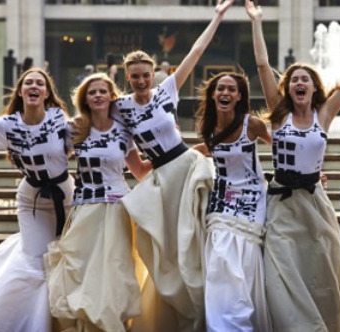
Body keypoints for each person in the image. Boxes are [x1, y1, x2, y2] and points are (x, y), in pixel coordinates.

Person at [245, 1, 340, 330]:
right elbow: (262, 65)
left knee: (322, 269)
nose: (299, 83)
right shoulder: (279, 113)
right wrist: (257, 22)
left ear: (315, 87)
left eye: (305, 79)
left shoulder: (324, 114)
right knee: (281, 269)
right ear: (288, 89)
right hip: (280, 202)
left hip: (315, 202)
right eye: (293, 80)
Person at [112, 1, 234, 330]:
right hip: (163, 180)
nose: (140, 80)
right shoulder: (119, 109)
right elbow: (134, 165)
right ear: (127, 77)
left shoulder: (166, 90)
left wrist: (218, 16)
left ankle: (217, 306)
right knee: (172, 251)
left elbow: (196, 51)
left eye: (145, 75)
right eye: (134, 76)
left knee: (202, 236)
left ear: (153, 74)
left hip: (190, 166)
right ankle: (178, 312)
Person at [44, 73, 152, 331]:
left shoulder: (124, 131)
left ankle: (113, 322)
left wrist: (176, 155)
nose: (98, 96)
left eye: (103, 91)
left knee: (115, 268)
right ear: (85, 99)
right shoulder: (74, 129)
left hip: (117, 209)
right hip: (84, 208)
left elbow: (138, 171)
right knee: (81, 269)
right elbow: (51, 159)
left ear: (112, 96)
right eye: (92, 92)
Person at [0, 67, 74, 332]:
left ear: (46, 93)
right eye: (28, 83)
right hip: (31, 199)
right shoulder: (8, 124)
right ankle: (30, 325)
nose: (33, 86)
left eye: (39, 83)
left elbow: (85, 141)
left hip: (65, 196)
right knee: (35, 262)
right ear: (21, 92)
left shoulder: (59, 120)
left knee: (63, 260)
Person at [194, 72, 272, 331]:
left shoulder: (253, 125)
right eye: (220, 89)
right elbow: (201, 150)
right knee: (219, 257)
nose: (225, 93)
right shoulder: (209, 126)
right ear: (213, 94)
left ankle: (241, 318)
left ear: (239, 96)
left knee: (245, 259)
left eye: (231, 89)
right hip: (221, 200)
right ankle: (221, 323)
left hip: (252, 199)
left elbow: (280, 147)